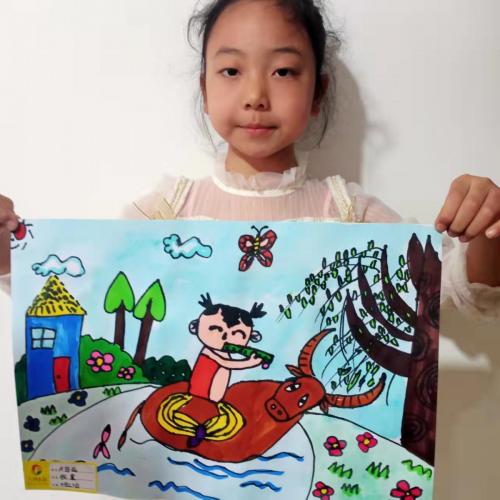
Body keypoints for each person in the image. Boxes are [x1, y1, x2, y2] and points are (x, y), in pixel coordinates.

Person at [0, 0, 499, 319]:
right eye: (231, 70)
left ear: (318, 92)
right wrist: (6, 246)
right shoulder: (164, 211)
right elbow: (77, 294)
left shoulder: (349, 213)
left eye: (283, 71)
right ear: (205, 89)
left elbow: (459, 289)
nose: (256, 95)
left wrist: (487, 230)